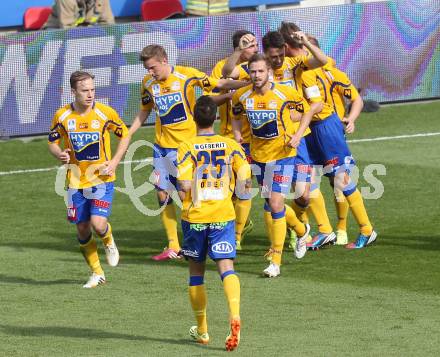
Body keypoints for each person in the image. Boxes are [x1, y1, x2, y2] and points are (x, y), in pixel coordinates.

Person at [128, 44, 249, 261]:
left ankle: (208, 234)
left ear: (164, 60)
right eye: (147, 69)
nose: (150, 72)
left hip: (187, 148)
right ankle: (173, 245)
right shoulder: (148, 83)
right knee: (162, 193)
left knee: (189, 195)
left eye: (152, 67)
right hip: (161, 147)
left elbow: (219, 83)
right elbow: (144, 110)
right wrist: (130, 132)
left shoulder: (187, 76)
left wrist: (248, 83)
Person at [280, 23, 377, 250]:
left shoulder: (306, 71)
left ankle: (366, 229)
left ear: (285, 47)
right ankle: (324, 230)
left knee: (340, 180)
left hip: (324, 127)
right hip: (312, 129)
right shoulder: (303, 67)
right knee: (310, 182)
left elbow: (317, 103)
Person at [231, 54, 319, 277]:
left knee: (276, 203)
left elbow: (308, 110)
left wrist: (298, 134)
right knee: (272, 202)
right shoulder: (242, 95)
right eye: (253, 71)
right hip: (259, 155)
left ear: (269, 72)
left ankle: (275, 261)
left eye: (261, 71)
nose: (256, 75)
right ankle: (301, 230)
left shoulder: (284, 92)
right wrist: (237, 133)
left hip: (283, 154)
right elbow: (235, 114)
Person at [177, 96, 251, 351]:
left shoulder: (187, 146)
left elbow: (185, 185)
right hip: (223, 214)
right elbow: (245, 179)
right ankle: (235, 314)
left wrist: (183, 193)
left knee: (196, 273)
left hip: (195, 218)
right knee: (226, 267)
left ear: (194, 118)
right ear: (217, 118)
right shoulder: (231, 145)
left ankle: (203, 331)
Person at [48, 71, 129, 288]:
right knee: (82, 228)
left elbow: (125, 135)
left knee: (98, 223)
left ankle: (109, 240)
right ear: (73, 91)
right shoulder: (62, 116)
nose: (90, 94)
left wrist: (114, 162)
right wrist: (59, 154)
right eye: (85, 90)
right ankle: (97, 273)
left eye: (93, 90)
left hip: (102, 178)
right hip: (75, 182)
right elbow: (52, 142)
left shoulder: (105, 113)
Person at [208, 30, 258, 250]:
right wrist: (227, 95)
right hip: (228, 138)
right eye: (248, 44)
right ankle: (239, 226)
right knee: (225, 190)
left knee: (249, 188)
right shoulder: (223, 67)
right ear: (237, 46)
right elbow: (209, 97)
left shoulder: (260, 68)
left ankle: (237, 235)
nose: (254, 48)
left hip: (256, 140)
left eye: (255, 44)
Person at [44, 0, 115, 29]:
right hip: (56, 32)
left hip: (85, 30)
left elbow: (108, 22)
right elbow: (67, 28)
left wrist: (116, 38)